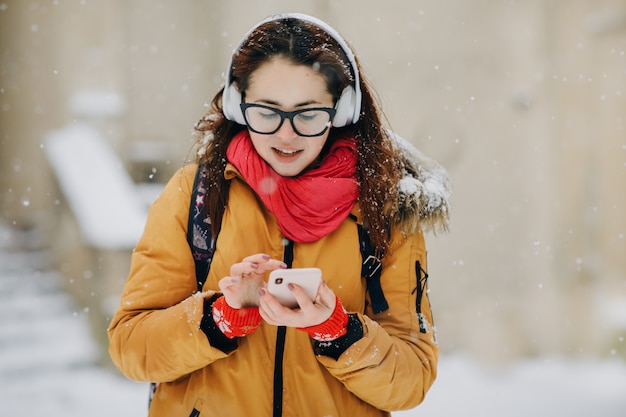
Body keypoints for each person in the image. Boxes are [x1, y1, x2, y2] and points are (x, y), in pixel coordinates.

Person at [108, 12, 451, 417]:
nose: (285, 135)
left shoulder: (383, 208)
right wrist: (220, 318)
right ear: (239, 105)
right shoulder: (194, 195)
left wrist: (339, 332)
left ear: (340, 112)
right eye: (267, 111)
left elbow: (410, 380)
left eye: (307, 114)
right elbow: (132, 348)